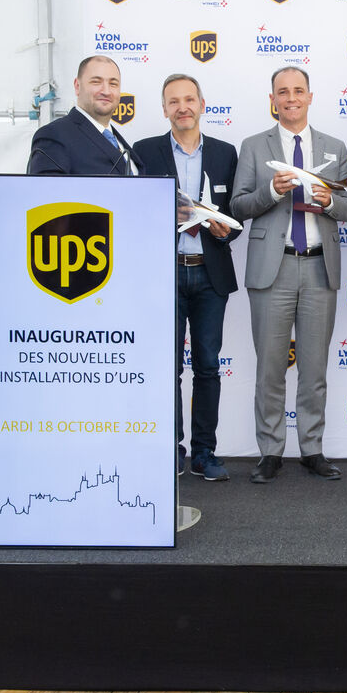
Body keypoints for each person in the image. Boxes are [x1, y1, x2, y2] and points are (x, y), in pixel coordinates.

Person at [230, 66, 347, 484]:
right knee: (270, 367)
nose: (291, 98)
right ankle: (270, 451)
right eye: (282, 92)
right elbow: (238, 207)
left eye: (298, 91)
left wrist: (328, 201)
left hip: (320, 266)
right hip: (274, 267)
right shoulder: (253, 147)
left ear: (310, 97)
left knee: (314, 368)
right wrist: (272, 191)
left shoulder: (334, 147)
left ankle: (312, 449)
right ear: (273, 99)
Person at [132, 74, 239, 481]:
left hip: (211, 276)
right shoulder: (144, 152)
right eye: (174, 101)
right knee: (168, 368)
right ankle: (171, 449)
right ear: (164, 109)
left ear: (202, 104)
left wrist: (224, 230)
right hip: (164, 274)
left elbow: (237, 214)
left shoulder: (226, 153)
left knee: (208, 366)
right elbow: (132, 212)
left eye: (189, 99)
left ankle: (204, 453)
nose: (183, 107)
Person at [27, 55, 142, 175]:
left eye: (113, 84)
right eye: (96, 82)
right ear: (77, 86)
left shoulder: (120, 143)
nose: (106, 91)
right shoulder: (54, 135)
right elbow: (48, 186)